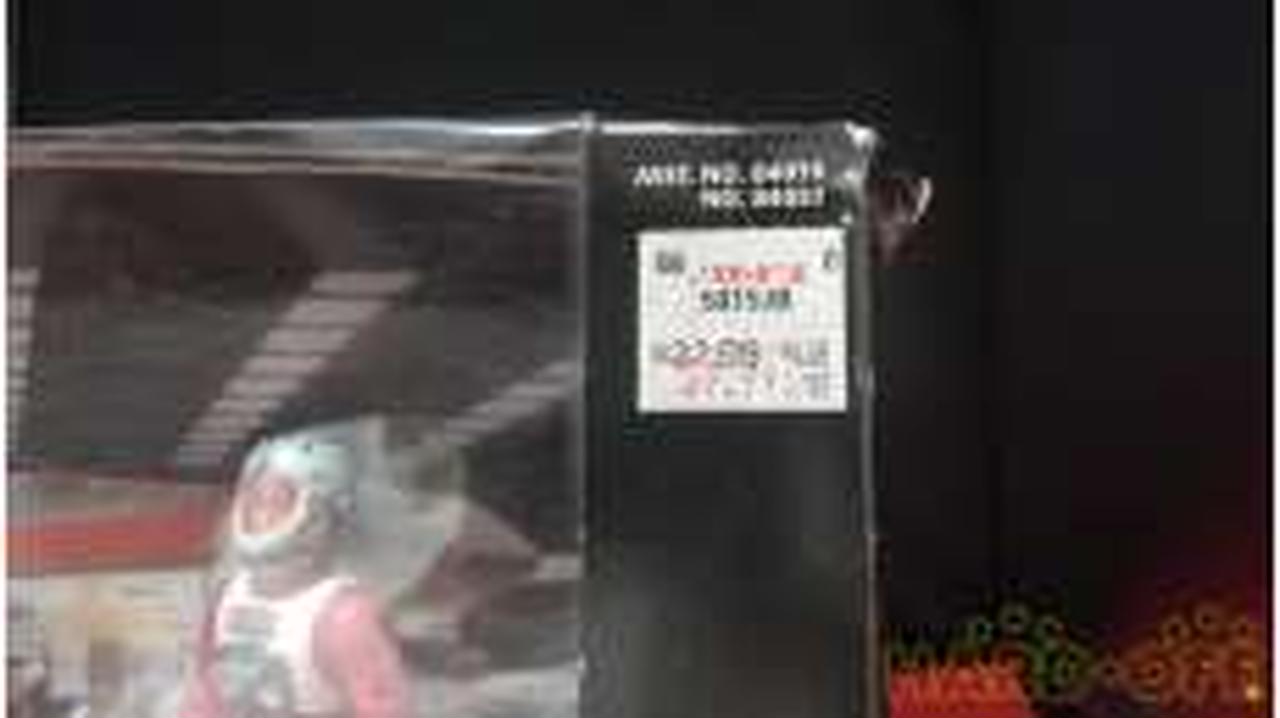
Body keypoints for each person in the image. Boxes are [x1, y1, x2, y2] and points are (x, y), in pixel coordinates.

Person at [179, 432, 410, 718]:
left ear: (319, 515)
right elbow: (205, 695)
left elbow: (384, 708)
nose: (260, 518)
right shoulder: (228, 596)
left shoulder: (342, 616)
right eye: (254, 503)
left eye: (276, 504)